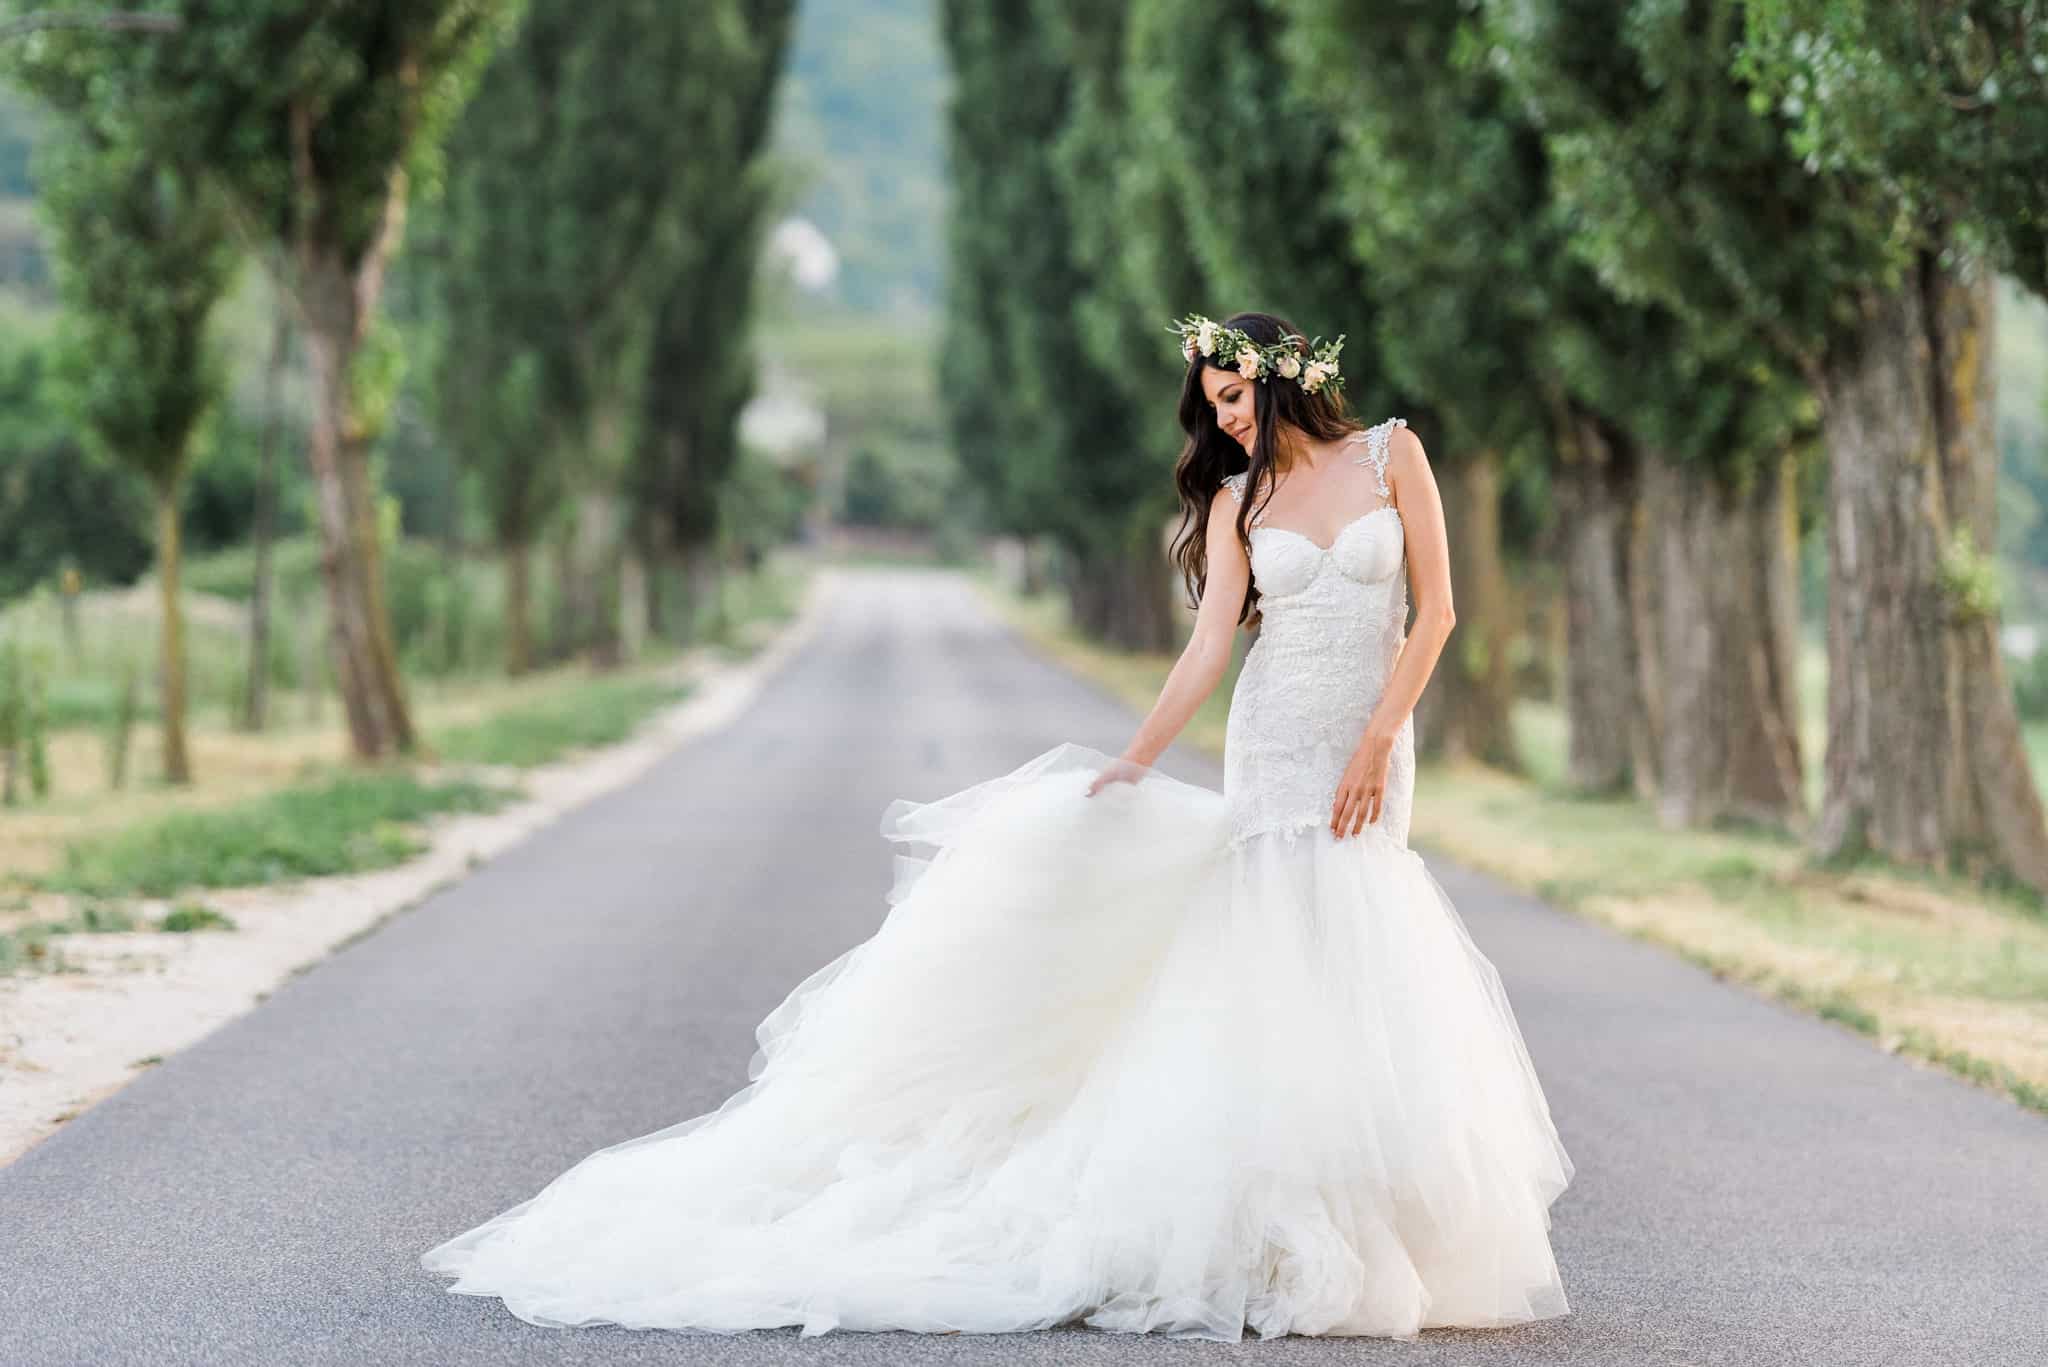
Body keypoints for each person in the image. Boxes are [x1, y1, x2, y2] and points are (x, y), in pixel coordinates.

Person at [420, 310, 1575, 1342]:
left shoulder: (1391, 453)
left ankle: (1381, 1220)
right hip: (1272, 744)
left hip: (1371, 732)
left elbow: (1437, 611)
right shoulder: (1236, 502)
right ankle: (1285, 1229)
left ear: (1283, 377)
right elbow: (1212, 643)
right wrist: (1132, 758)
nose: (1222, 420)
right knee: (1279, 948)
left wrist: (1378, 737)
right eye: (1209, 405)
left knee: (1366, 938)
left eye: (1233, 394)